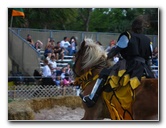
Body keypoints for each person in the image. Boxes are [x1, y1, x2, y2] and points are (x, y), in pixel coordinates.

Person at [82, 15, 155, 107]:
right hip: (144, 67)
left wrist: (106, 57)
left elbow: (116, 50)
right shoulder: (148, 40)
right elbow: (149, 57)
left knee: (104, 73)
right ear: (142, 28)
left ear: (132, 26)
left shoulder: (127, 35)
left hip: (130, 65)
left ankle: (92, 98)